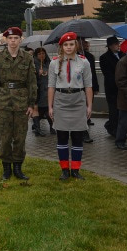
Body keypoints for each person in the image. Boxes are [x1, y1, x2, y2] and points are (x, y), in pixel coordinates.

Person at [0, 27, 37, 180]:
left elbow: (32, 82)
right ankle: (6, 169)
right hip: (3, 101)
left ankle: (17, 168)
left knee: (20, 137)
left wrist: (31, 104)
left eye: (16, 38)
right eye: (10, 38)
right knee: (5, 137)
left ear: (20, 40)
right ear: (6, 40)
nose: (13, 41)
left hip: (22, 102)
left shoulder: (28, 58)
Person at [48, 32, 93, 180]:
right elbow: (51, 87)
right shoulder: (54, 63)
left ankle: (75, 169)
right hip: (61, 101)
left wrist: (89, 106)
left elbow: (88, 86)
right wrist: (50, 106)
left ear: (76, 45)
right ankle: (64, 170)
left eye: (71, 44)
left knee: (77, 137)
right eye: (66, 45)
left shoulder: (84, 62)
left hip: (78, 100)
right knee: (61, 137)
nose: (68, 47)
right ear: (61, 46)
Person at [100, 36, 125, 137]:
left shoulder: (123, 55)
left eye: (118, 43)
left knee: (122, 111)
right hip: (112, 88)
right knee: (114, 110)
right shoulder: (104, 57)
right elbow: (107, 74)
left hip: (123, 88)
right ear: (110, 46)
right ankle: (114, 129)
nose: (118, 46)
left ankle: (118, 129)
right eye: (115, 44)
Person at [79, 39, 99, 142]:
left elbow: (93, 73)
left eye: (85, 43)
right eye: (81, 43)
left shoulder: (89, 57)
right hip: (78, 88)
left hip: (89, 87)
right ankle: (83, 132)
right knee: (81, 111)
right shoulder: (74, 57)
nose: (84, 45)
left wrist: (95, 87)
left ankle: (84, 128)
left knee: (87, 108)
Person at [33, 47, 55, 135]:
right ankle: (37, 128)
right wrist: (38, 73)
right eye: (39, 54)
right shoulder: (33, 64)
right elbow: (30, 78)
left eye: (43, 53)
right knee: (37, 109)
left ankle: (52, 127)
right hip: (37, 90)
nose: (42, 55)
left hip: (47, 90)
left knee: (48, 108)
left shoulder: (49, 63)